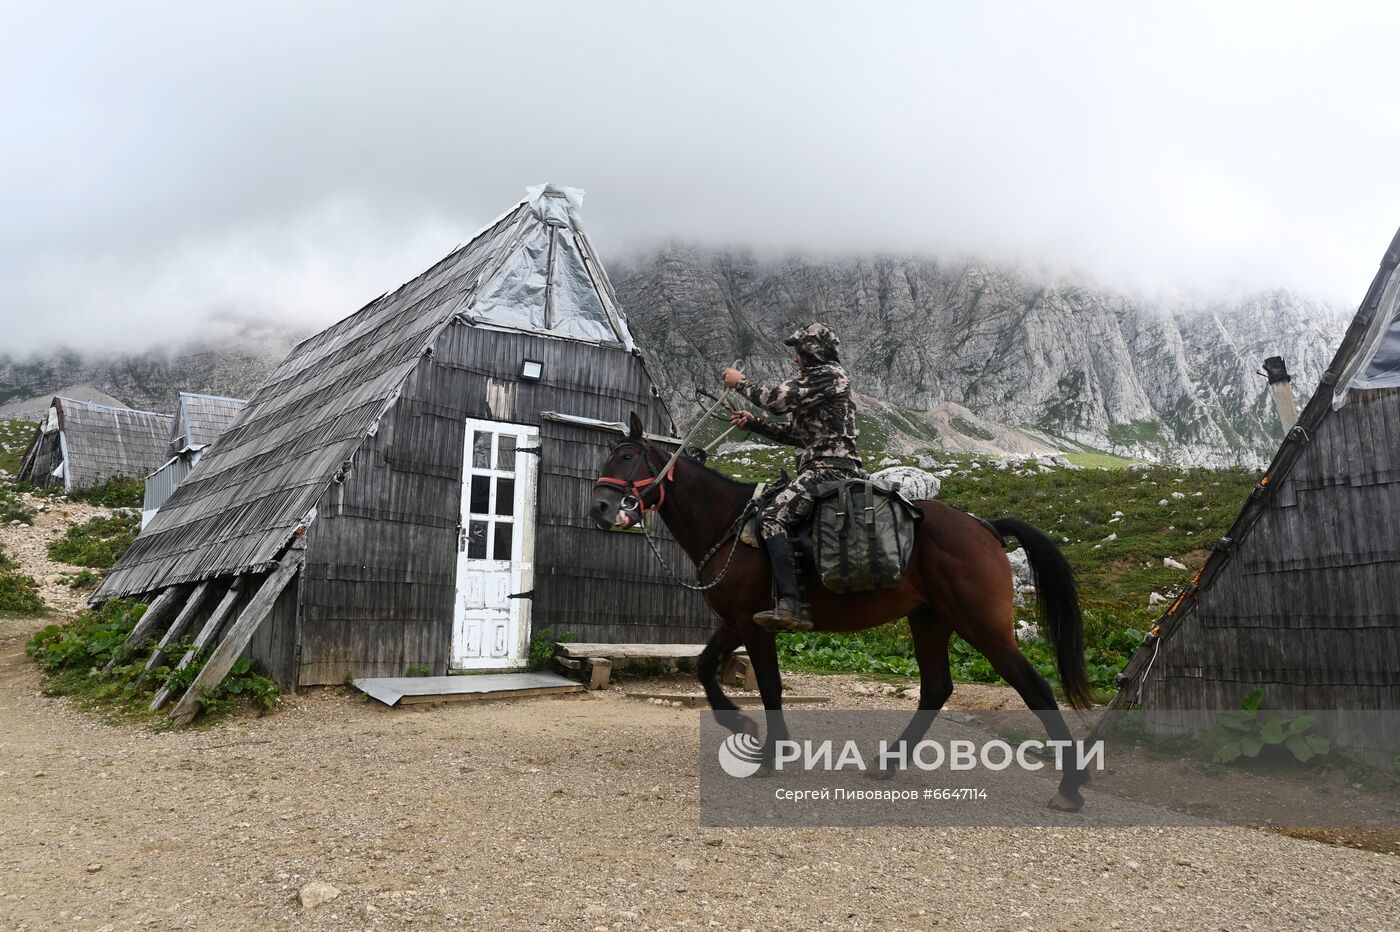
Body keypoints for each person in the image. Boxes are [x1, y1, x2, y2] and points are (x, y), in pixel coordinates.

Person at [722, 323, 862, 631]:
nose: (795, 359)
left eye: (798, 353)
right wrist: (753, 424)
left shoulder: (828, 376)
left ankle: (792, 605)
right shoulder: (821, 381)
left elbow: (776, 401)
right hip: (822, 465)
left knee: (771, 517)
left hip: (828, 469)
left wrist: (739, 383)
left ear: (812, 353)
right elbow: (796, 434)